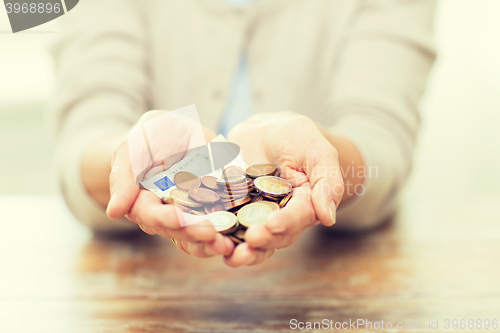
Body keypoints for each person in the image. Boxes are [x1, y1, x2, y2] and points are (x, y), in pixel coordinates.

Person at [50, 0, 436, 267]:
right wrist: (127, 155)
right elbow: (86, 129)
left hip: (328, 281)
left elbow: (382, 145)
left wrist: (324, 160)